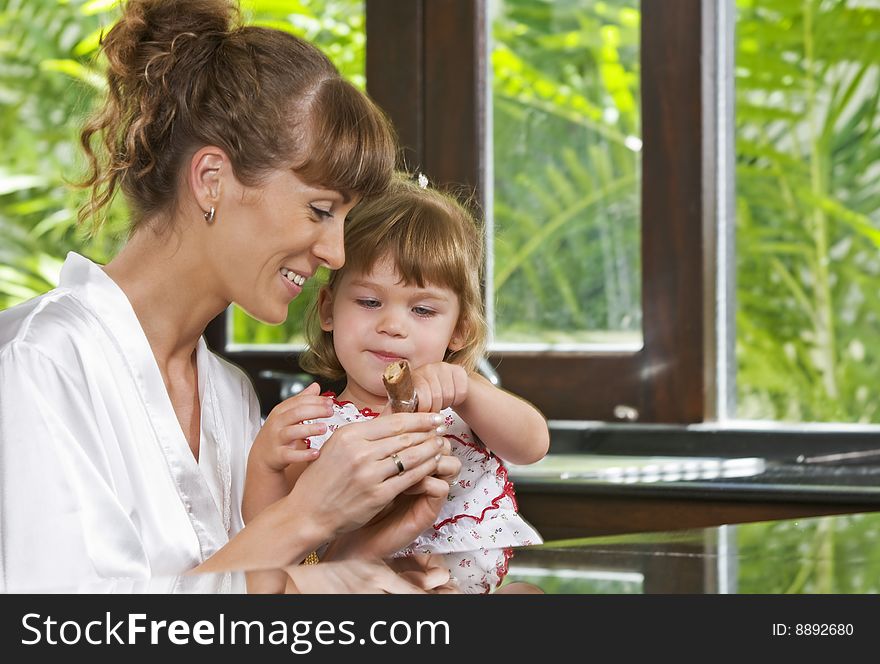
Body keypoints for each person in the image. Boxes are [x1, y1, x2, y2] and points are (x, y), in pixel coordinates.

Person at [0, 0, 460, 593]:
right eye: (320, 209)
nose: (337, 254)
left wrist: (366, 568)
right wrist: (309, 513)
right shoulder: (37, 363)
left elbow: (246, 598)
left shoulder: (229, 394)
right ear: (212, 179)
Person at [287, 171, 551, 593]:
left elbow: (533, 445)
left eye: (423, 310)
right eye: (370, 302)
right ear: (328, 308)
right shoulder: (314, 424)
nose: (392, 326)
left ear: (460, 329)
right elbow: (290, 540)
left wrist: (468, 390)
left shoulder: (462, 401)